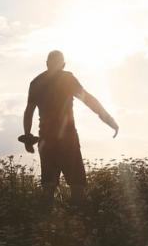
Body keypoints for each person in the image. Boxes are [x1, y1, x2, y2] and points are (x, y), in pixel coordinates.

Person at [22, 50, 119, 206]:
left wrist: (27, 137)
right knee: (77, 186)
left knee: (48, 187)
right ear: (63, 64)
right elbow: (88, 100)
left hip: (46, 139)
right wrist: (108, 119)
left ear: (47, 63)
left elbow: (29, 112)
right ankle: (77, 220)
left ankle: (47, 224)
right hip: (68, 139)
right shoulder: (67, 79)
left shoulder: (36, 83)